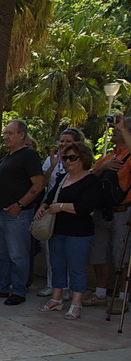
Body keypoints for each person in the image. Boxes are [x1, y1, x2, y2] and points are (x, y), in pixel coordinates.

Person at [0, 120, 44, 305]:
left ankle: (19, 290)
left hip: (18, 214)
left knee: (18, 254)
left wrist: (20, 205)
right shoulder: (7, 158)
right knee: (2, 254)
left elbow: (38, 184)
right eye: (5, 133)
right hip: (0, 213)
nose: (6, 137)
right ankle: (0, 287)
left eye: (10, 133)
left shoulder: (28, 155)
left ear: (21, 135)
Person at [34, 142, 100, 320]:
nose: (68, 161)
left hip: (79, 232)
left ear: (83, 159)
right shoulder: (63, 178)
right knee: (57, 265)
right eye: (65, 158)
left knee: (76, 267)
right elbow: (50, 196)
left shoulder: (91, 180)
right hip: (58, 229)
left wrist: (61, 207)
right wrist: (44, 206)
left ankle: (76, 303)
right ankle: (56, 298)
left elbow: (87, 207)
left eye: (73, 158)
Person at [82, 116, 131, 314]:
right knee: (100, 254)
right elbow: (89, 179)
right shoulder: (109, 157)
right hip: (102, 212)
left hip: (123, 213)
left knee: (122, 257)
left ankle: (122, 297)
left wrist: (125, 129)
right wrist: (102, 169)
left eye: (119, 129)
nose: (114, 131)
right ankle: (101, 294)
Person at [36, 128, 84, 298]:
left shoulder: (81, 166)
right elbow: (43, 183)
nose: (63, 144)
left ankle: (70, 288)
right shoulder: (51, 161)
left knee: (71, 255)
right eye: (62, 141)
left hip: (71, 212)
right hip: (52, 209)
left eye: (68, 141)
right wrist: (54, 165)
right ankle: (52, 285)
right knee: (51, 251)